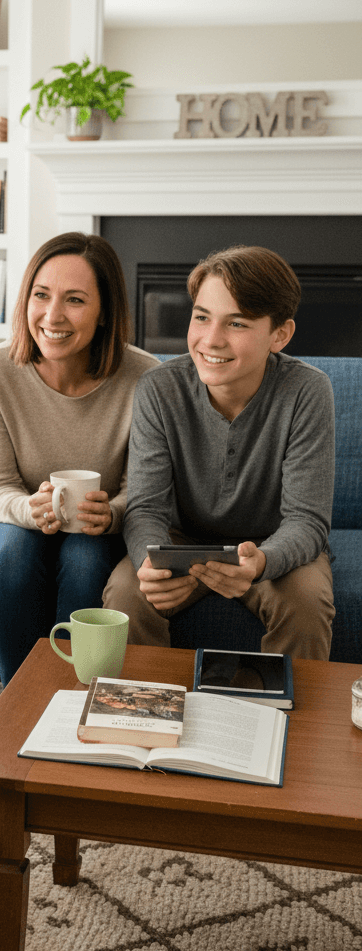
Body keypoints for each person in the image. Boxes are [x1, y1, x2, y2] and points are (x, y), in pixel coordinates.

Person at [103, 245, 335, 658]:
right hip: (179, 543)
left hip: (272, 544)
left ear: (279, 334)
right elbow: (146, 509)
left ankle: (292, 721)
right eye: (201, 317)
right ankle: (139, 717)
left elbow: (307, 519)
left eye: (238, 323)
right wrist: (153, 563)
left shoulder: (307, 391)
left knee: (306, 602)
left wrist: (262, 561)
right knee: (127, 592)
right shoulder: (159, 389)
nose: (211, 339)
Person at [0, 232, 159, 684]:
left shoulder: (146, 377)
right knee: (15, 549)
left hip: (95, 529)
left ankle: (74, 697)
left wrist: (109, 513)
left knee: (86, 559)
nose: (52, 316)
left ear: (105, 311)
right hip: (9, 517)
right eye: (41, 295)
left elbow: (144, 491)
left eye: (74, 300)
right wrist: (27, 510)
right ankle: (20, 702)